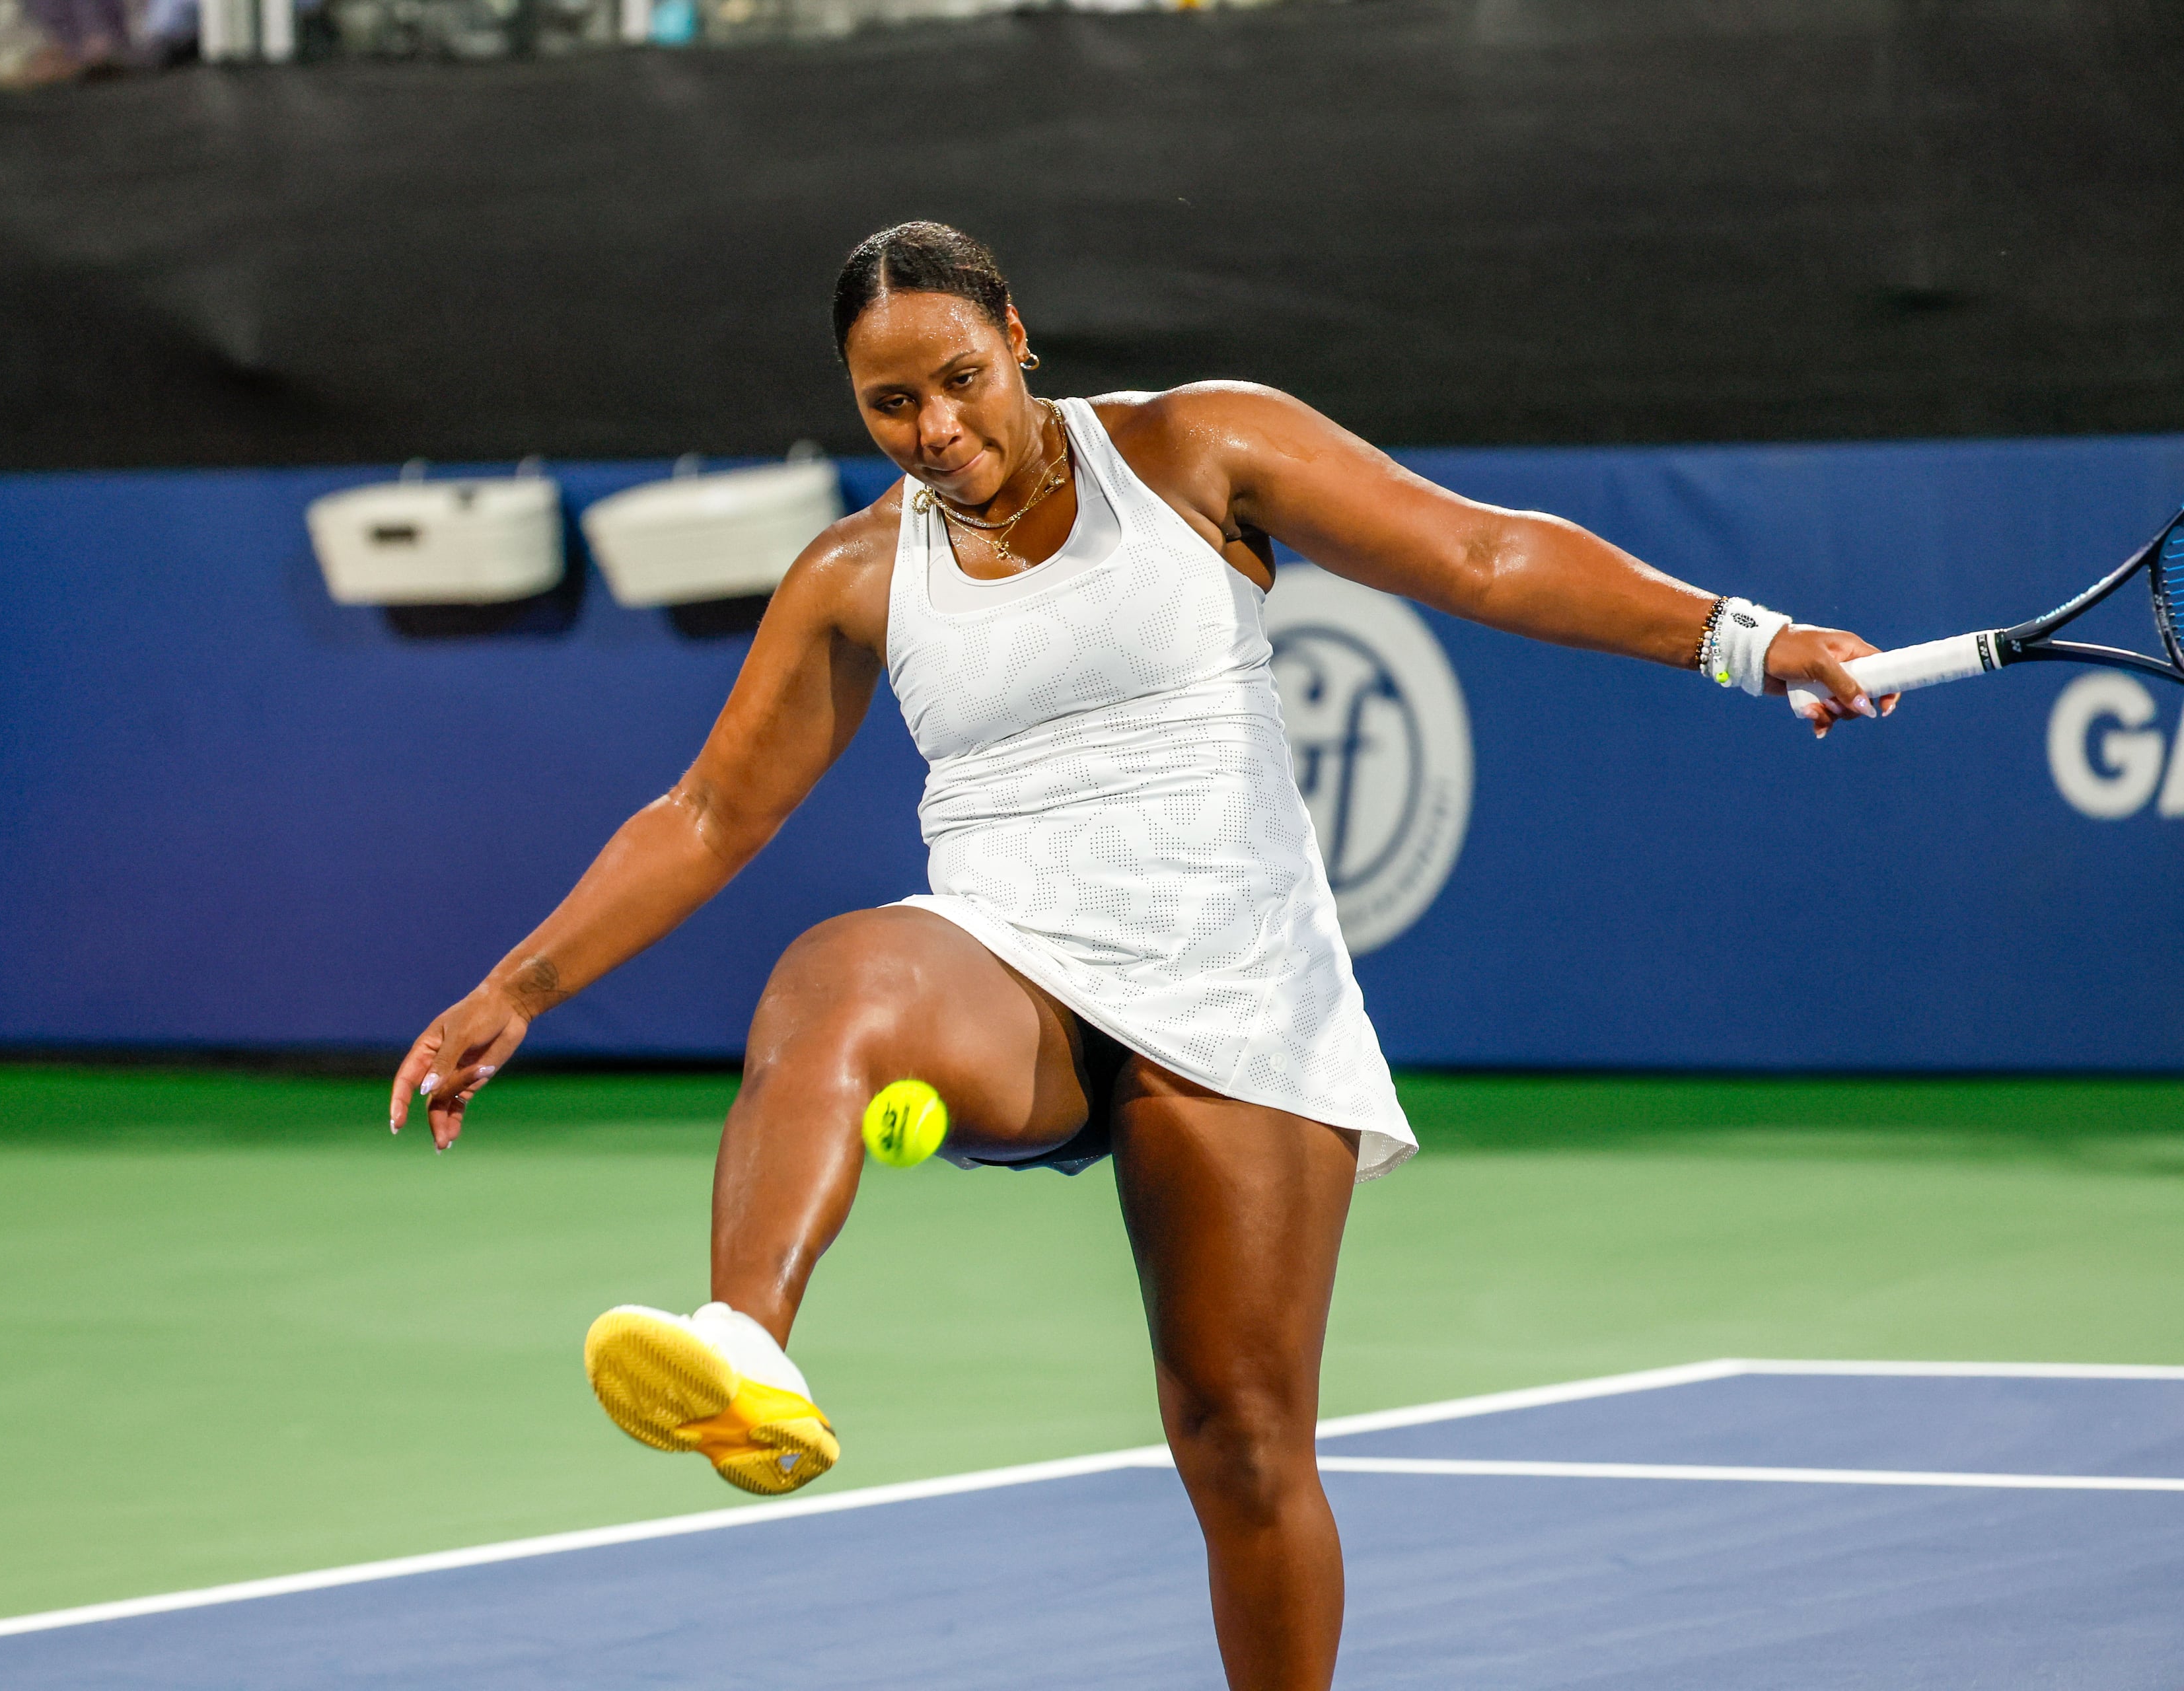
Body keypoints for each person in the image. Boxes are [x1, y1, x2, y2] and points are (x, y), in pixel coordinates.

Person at [388, 221, 1889, 1689]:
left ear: (1017, 337)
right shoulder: (855, 572)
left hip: (1238, 982)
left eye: (961, 378)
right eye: (890, 404)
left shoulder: (1196, 448)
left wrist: (1740, 636)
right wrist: (518, 985)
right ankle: (745, 1342)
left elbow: (1484, 557)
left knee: (1239, 1439)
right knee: (832, 975)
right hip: (1010, 960)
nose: (934, 425)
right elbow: (710, 812)